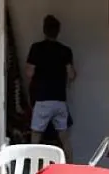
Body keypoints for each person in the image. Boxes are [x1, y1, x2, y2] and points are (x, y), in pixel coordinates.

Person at [27, 14, 75, 162]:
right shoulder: (65, 51)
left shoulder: (36, 48)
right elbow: (71, 74)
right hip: (60, 100)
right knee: (65, 138)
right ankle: (71, 168)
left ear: (44, 30)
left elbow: (29, 72)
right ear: (58, 31)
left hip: (42, 99)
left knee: (35, 136)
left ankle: (33, 169)